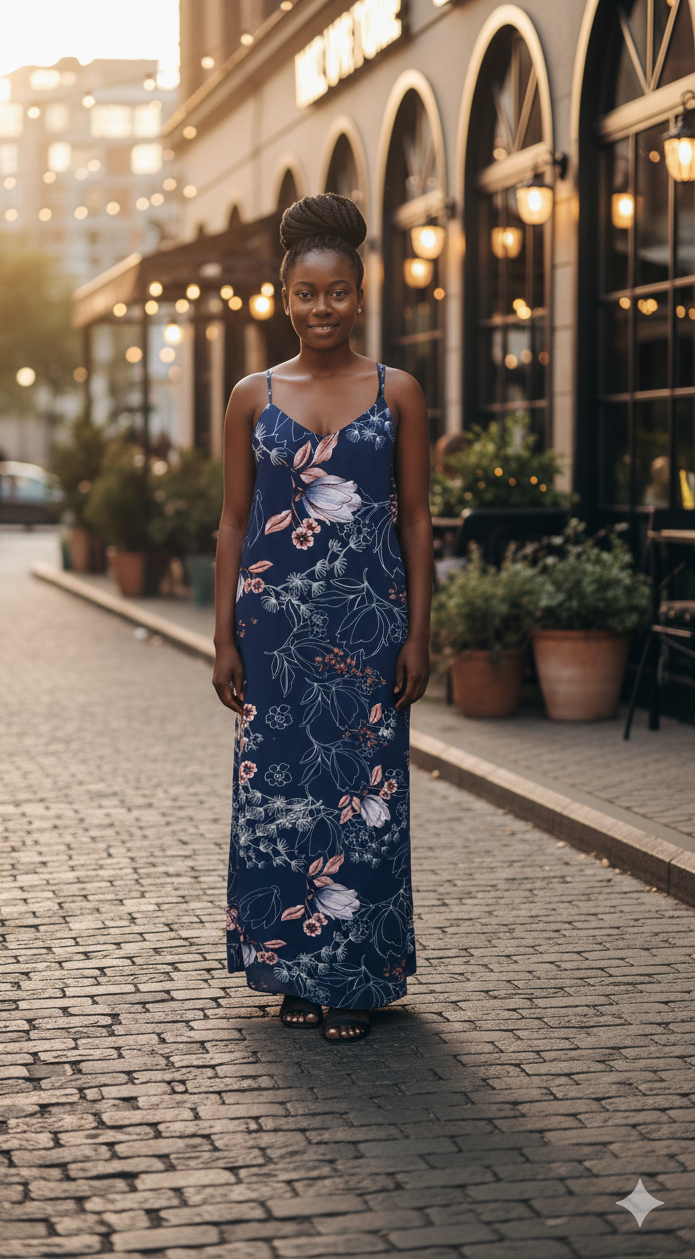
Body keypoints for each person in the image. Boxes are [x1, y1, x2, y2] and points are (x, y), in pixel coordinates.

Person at [213, 193, 433, 1043]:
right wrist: (223, 635)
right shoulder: (249, 397)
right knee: (281, 800)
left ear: (361, 293)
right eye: (307, 295)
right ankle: (292, 974)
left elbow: (414, 518)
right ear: (284, 299)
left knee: (365, 803)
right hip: (271, 635)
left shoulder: (398, 391)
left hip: (370, 630)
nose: (322, 309)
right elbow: (233, 522)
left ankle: (355, 979)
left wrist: (418, 632)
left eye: (337, 292)